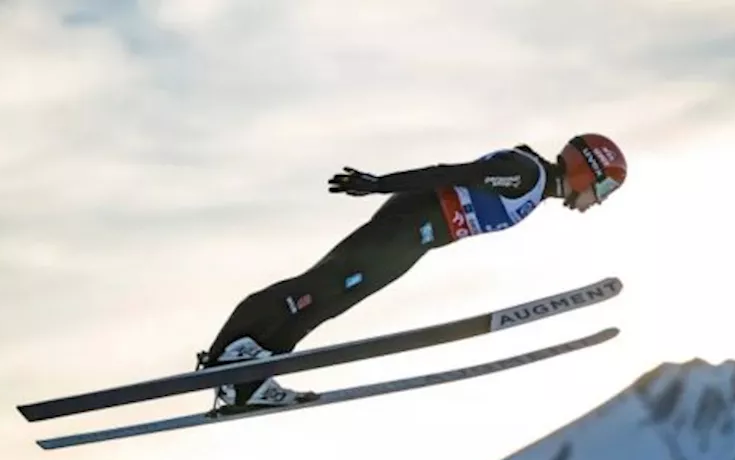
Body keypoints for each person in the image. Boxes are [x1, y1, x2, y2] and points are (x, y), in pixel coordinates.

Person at [198, 132, 629, 411]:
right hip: (408, 226)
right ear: (584, 171)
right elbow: (452, 174)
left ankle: (249, 379)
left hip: (417, 241)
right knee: (320, 288)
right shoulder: (525, 175)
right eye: (604, 187)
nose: (600, 199)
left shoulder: (533, 188)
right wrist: (377, 183)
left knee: (330, 302)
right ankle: (226, 353)